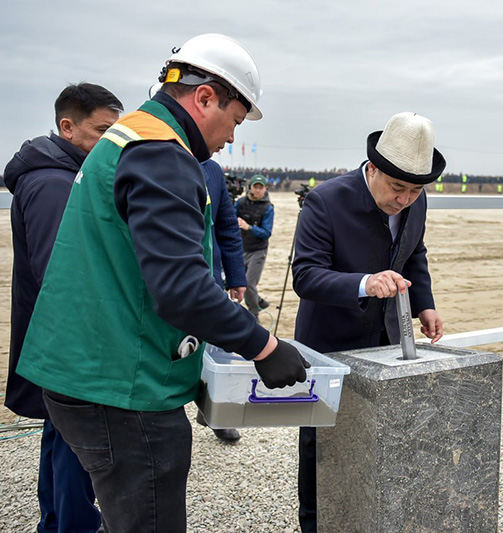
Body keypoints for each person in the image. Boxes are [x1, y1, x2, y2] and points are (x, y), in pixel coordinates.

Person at [15, 33, 309, 533]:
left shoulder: (125, 135)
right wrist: (264, 346)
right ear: (204, 97)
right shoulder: (160, 153)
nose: (233, 137)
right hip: (119, 386)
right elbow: (179, 286)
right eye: (236, 119)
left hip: (83, 369)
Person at [291, 111, 446, 533]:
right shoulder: (325, 200)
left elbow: (415, 252)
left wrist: (424, 304)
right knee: (321, 446)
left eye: (416, 190)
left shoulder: (417, 200)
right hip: (329, 341)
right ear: (372, 168)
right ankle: (316, 523)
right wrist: (364, 283)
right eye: (398, 188)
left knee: (382, 436)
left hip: (387, 339)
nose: (405, 200)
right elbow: (305, 276)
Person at [3, 82, 123, 533]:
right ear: (67, 127)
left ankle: (55, 523)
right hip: (66, 344)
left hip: (54, 339)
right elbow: (67, 271)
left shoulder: (57, 173)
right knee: (78, 447)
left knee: (60, 439)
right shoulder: (54, 183)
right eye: (102, 131)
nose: (110, 143)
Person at [196, 158, 247, 442]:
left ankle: (215, 412)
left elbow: (227, 227)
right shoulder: (157, 156)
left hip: (211, 276)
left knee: (219, 349)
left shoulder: (212, 170)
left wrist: (237, 277)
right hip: (167, 280)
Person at [235, 174, 274, 316]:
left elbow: (266, 232)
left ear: (265, 189)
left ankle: (254, 314)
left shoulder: (268, 208)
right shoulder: (240, 203)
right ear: (250, 187)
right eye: (255, 187)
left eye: (260, 187)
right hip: (241, 247)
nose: (257, 190)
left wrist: (249, 227)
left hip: (258, 250)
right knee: (239, 282)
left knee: (249, 284)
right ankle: (259, 301)